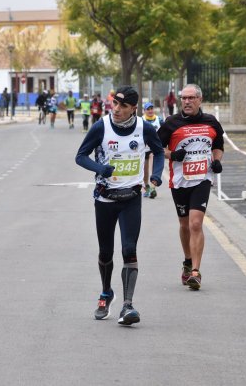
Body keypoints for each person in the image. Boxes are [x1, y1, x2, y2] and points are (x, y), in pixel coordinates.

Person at [75, 85, 164, 326]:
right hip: (105, 199)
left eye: (123, 106)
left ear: (134, 109)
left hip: (131, 200)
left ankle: (128, 305)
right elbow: (80, 156)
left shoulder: (143, 128)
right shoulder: (100, 126)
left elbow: (158, 150)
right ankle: (106, 292)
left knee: (129, 249)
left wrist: (156, 174)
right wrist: (99, 168)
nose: (116, 109)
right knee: (105, 252)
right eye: (115, 103)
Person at [157, 84, 224, 290]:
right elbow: (157, 147)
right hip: (180, 181)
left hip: (202, 179)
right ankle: (187, 261)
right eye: (183, 98)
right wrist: (172, 154)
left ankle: (195, 271)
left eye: (191, 98)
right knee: (185, 225)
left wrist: (217, 160)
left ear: (199, 100)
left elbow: (218, 146)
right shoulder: (171, 123)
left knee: (196, 224)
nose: (186, 101)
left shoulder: (211, 122)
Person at [140, 102, 164, 199]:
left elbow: (165, 131)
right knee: (145, 170)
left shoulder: (159, 120)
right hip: (144, 149)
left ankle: (153, 187)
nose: (150, 111)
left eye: (151, 109)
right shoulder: (141, 120)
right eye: (148, 109)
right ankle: (146, 187)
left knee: (154, 165)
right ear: (144, 111)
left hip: (155, 148)